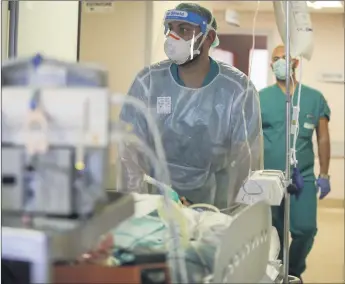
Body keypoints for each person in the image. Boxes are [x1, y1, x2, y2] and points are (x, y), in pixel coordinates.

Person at [119, 3, 262, 209]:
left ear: (209, 37)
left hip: (217, 206)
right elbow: (130, 149)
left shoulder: (238, 89)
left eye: (184, 30)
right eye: (170, 28)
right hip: (157, 204)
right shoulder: (148, 82)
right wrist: (134, 207)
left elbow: (246, 160)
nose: (173, 37)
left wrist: (238, 212)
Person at [260, 45, 331, 281]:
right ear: (271, 65)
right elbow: (250, 139)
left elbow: (322, 137)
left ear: (295, 64)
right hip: (270, 177)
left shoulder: (313, 98)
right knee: (275, 232)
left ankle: (294, 270)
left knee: (306, 229)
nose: (280, 62)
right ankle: (276, 274)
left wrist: (325, 174)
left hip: (304, 177)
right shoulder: (261, 98)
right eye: (276, 59)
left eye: (284, 58)